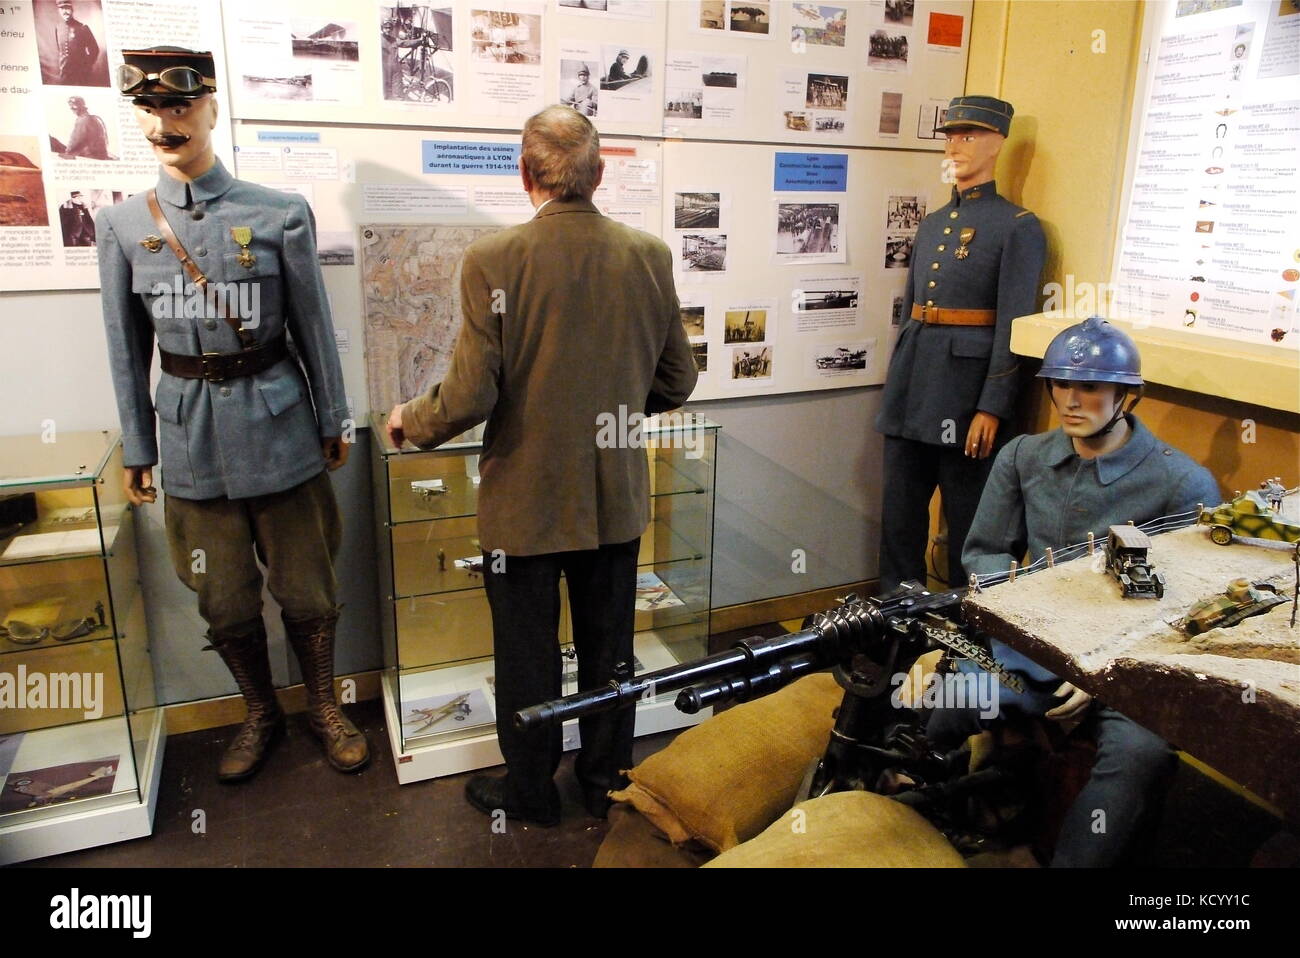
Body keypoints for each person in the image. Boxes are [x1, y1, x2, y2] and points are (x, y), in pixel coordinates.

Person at [386, 105, 697, 826]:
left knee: (527, 657)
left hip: (525, 505)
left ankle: (529, 793)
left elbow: (469, 395)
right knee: (610, 653)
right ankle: (605, 783)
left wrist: (410, 420)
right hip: (613, 498)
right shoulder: (648, 255)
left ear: (524, 172)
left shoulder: (494, 260)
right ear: (599, 173)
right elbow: (677, 381)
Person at [96, 47, 368, 782]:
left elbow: (313, 325)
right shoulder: (122, 225)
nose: (165, 122)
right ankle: (259, 713)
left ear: (214, 108)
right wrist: (139, 448)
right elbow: (126, 348)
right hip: (190, 443)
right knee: (221, 598)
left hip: (281, 428)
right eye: (150, 110)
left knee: (309, 587)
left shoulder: (278, 213)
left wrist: (331, 418)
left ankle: (322, 704)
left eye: (180, 105)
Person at [929, 317, 1221, 866]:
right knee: (952, 700)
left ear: (1125, 396)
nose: (1070, 400)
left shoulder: (1185, 484)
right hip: (1032, 646)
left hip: (1129, 663)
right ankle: (924, 818)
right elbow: (985, 554)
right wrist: (1034, 641)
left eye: (1089, 386)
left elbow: (1187, 609)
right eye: (1061, 384)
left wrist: (1104, 670)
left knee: (1139, 757)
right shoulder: (1023, 457)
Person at [875, 95, 1046, 592]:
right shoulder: (931, 224)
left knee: (969, 524)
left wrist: (992, 406)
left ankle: (965, 632)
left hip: (966, 397)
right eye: (951, 135)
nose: (956, 144)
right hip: (913, 391)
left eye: (969, 135)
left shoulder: (1017, 227)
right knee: (899, 519)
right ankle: (896, 627)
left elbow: (1015, 322)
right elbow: (912, 313)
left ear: (997, 144)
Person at [48, 0, 101, 86]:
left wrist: (85, 66)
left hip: (81, 74)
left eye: (67, 8)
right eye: (62, 8)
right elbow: (60, 50)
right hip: (65, 74)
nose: (65, 11)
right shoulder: (58, 28)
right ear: (58, 10)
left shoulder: (82, 27)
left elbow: (95, 50)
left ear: (72, 9)